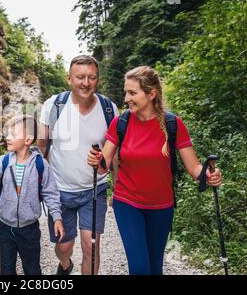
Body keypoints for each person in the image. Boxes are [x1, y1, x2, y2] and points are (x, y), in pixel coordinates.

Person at [87, 66, 223, 275]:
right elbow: (103, 163)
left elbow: (193, 167)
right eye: (126, 92)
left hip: (162, 206)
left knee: (154, 267)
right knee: (140, 267)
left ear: (151, 94)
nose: (126, 99)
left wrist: (207, 174)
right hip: (128, 203)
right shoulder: (120, 122)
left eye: (132, 93)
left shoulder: (172, 124)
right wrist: (96, 160)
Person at [37, 55, 119, 275]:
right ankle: (66, 264)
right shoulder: (54, 105)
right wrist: (38, 185)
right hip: (59, 189)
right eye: (80, 77)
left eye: (91, 77)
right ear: (69, 79)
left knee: (91, 246)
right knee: (64, 246)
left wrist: (118, 187)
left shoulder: (109, 109)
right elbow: (41, 148)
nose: (86, 82)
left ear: (97, 79)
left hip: (95, 189)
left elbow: (115, 154)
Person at [0, 115, 65, 275]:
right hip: (4, 227)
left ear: (28, 139)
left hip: (29, 229)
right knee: (6, 269)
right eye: (7, 134)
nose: (7, 138)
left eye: (13, 134)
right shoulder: (2, 162)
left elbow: (51, 194)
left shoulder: (40, 165)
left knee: (32, 269)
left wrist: (57, 218)